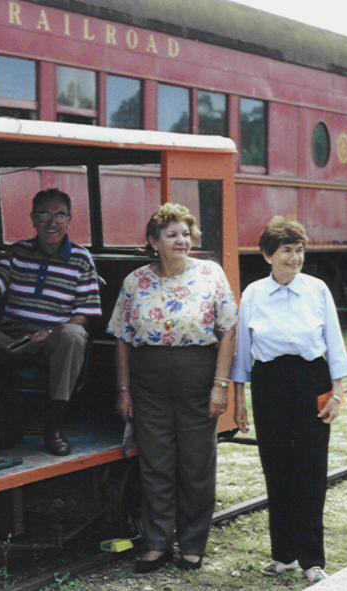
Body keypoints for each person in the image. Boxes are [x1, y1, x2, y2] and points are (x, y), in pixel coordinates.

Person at [106, 203, 237, 573]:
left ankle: (193, 544)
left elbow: (228, 329)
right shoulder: (136, 281)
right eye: (172, 234)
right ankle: (158, 543)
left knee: (196, 463)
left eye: (185, 233)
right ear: (153, 242)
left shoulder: (210, 274)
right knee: (155, 462)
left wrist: (220, 385)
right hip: (149, 380)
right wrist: (124, 390)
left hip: (198, 374)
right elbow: (122, 337)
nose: (182, 241)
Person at [231, 216, 347, 584]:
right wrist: (239, 400)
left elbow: (334, 342)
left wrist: (338, 393)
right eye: (287, 250)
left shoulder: (317, 290)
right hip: (269, 383)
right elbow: (242, 353)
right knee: (277, 466)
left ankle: (312, 559)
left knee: (312, 467)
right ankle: (283, 555)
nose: (295, 258)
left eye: (299, 250)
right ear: (268, 255)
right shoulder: (253, 294)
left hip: (312, 379)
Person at [0, 188, 101, 456]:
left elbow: (85, 311)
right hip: (14, 337)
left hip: (53, 339)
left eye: (60, 215)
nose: (52, 222)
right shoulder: (18, 252)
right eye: (44, 214)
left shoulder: (81, 258)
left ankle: (54, 427)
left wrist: (51, 332)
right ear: (33, 218)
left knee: (74, 335)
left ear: (69, 219)